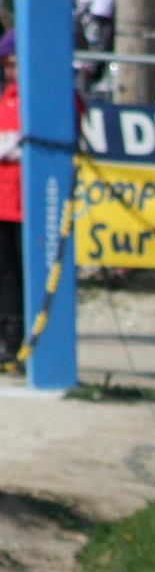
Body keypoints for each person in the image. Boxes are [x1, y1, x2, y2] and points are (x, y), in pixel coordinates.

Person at [0, 31, 21, 368]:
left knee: (18, 273)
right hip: (3, 201)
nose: (9, 70)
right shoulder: (7, 98)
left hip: (26, 203)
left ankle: (17, 335)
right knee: (5, 272)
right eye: (6, 64)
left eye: (14, 63)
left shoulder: (38, 96)